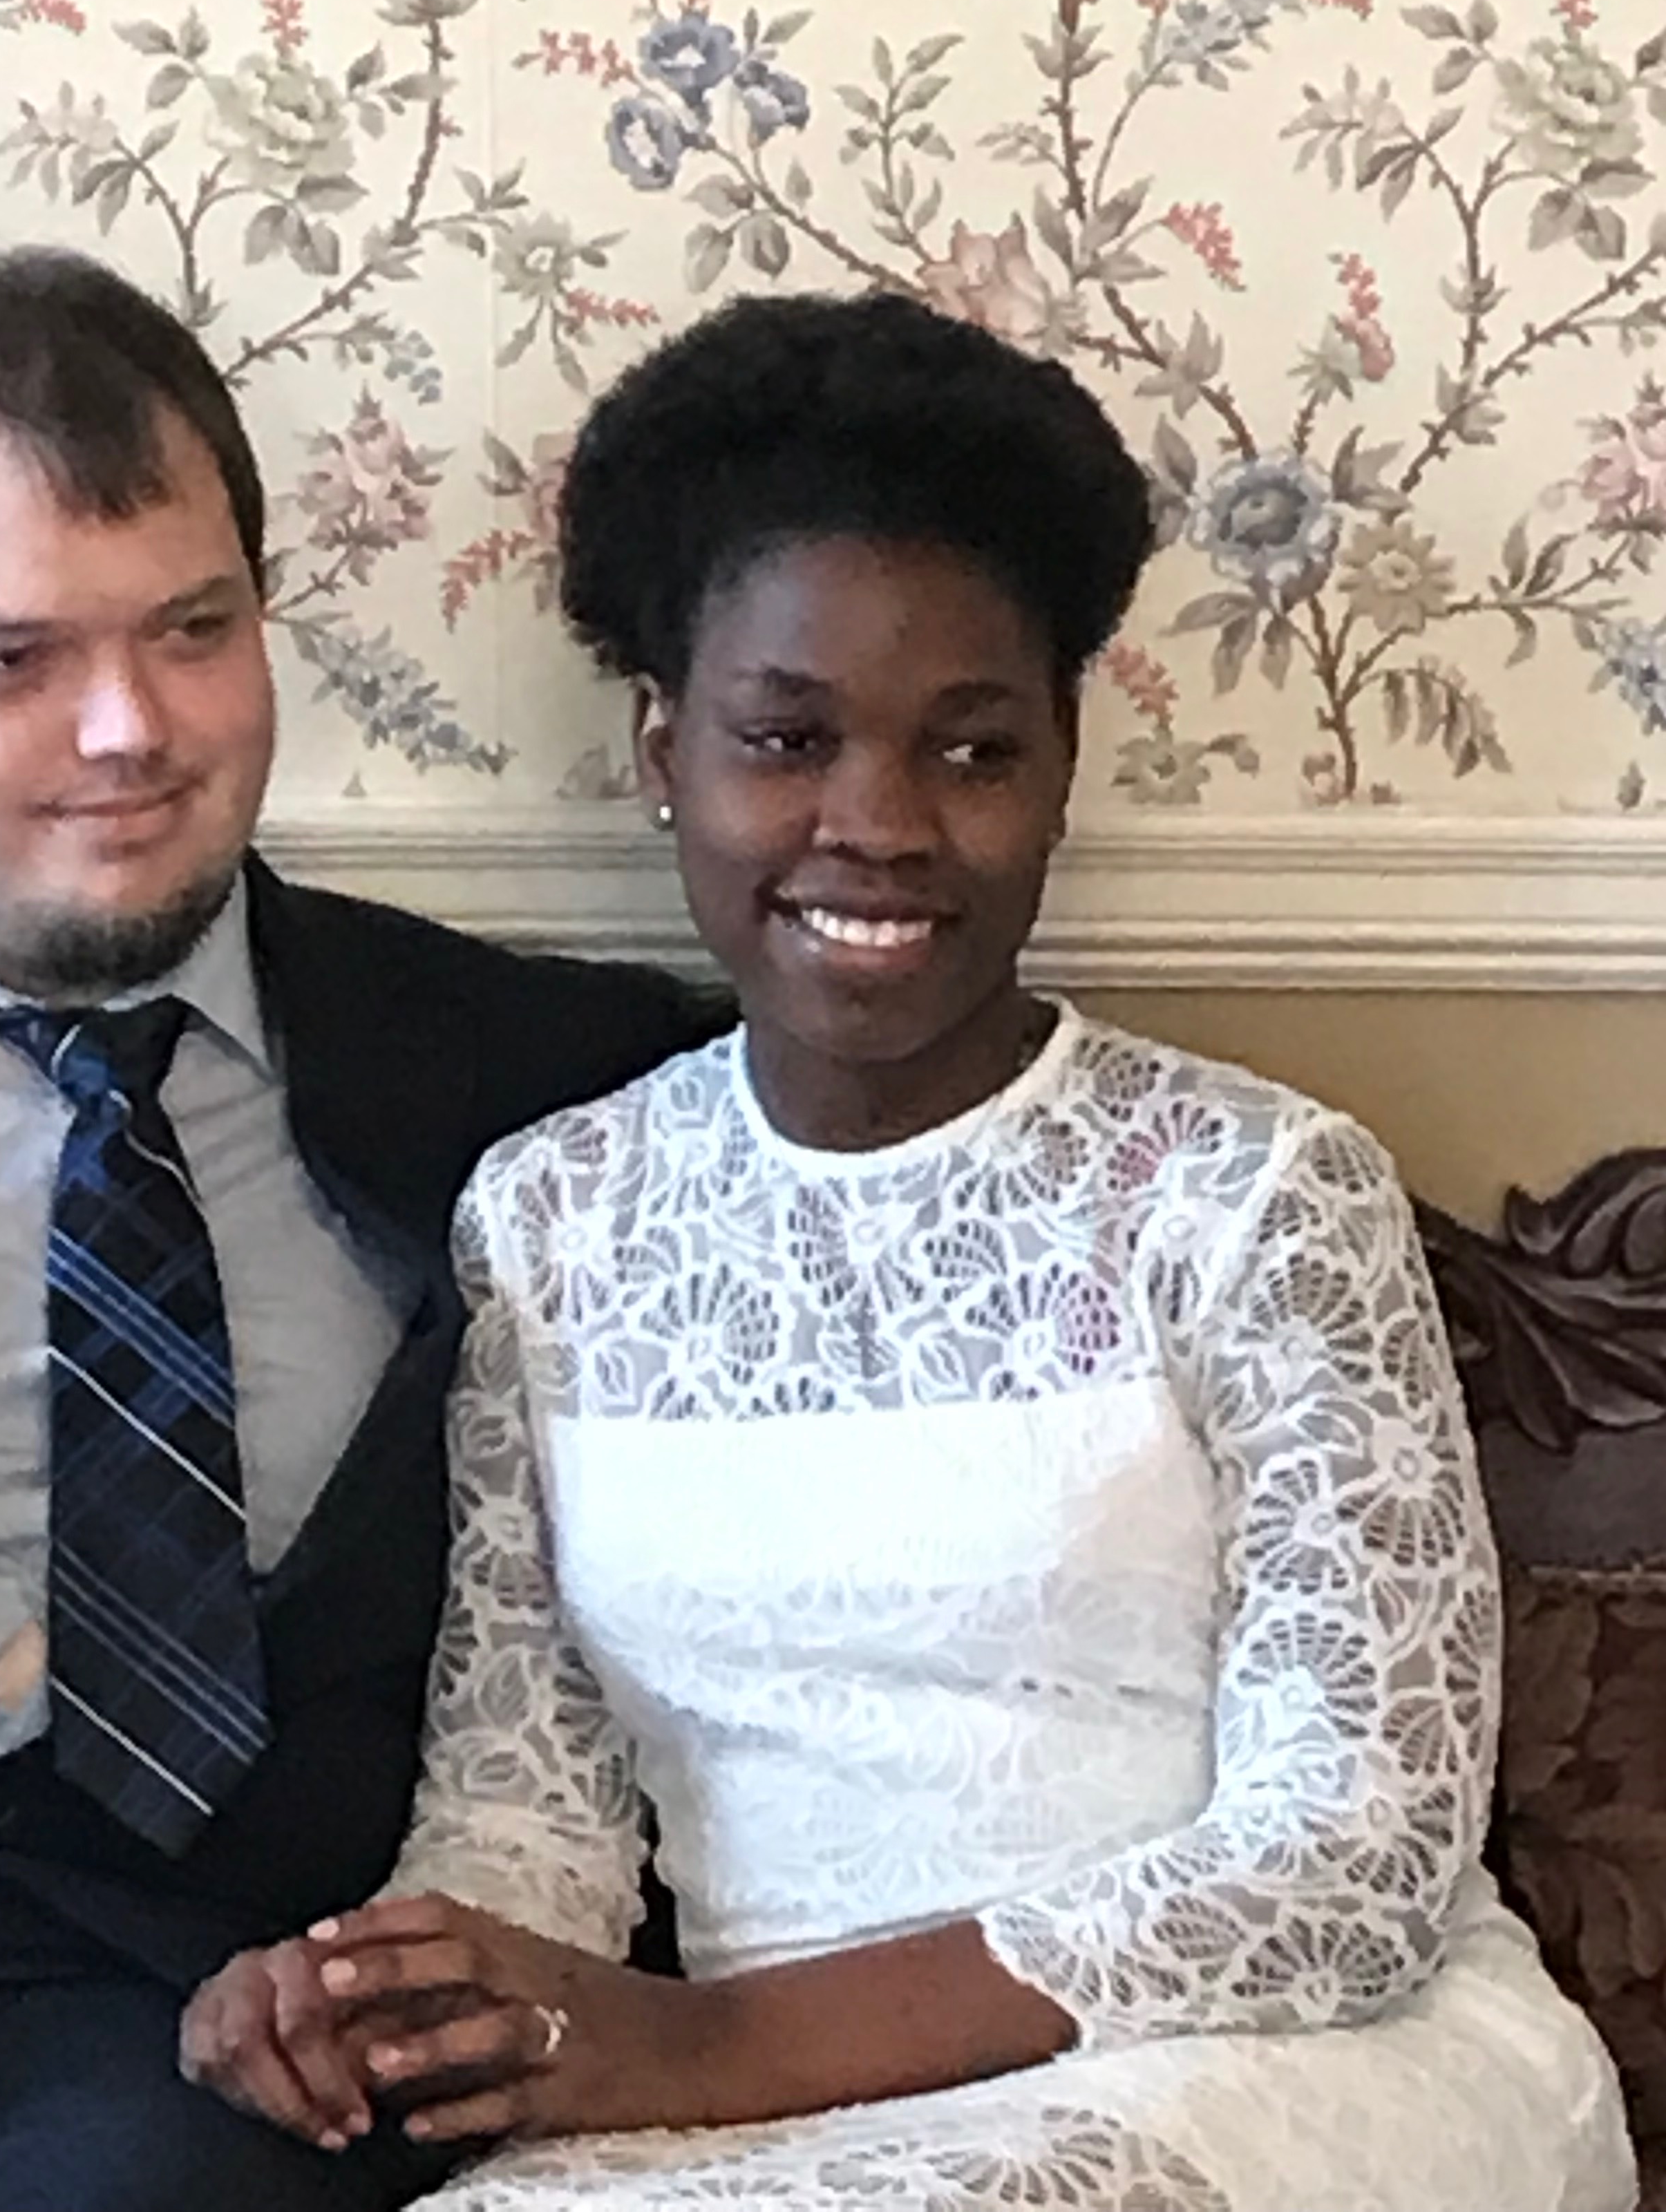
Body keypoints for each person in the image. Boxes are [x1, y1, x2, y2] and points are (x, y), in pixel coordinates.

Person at [182, 290, 1636, 2212]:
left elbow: (1346, 1875)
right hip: (751, 2125)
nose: (876, 825)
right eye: (786, 739)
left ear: (1063, 761)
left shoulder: (1260, 1195)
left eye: (971, 749)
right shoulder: (553, 1220)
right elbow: (527, 1814)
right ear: (664, 747)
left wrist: (707, 2048)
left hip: (1284, 2068)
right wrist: (376, 1989)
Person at [0, 252, 715, 2212]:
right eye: (11, 661)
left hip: (210, 2033)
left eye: (194, 630)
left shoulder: (558, 1086)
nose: (129, 729)